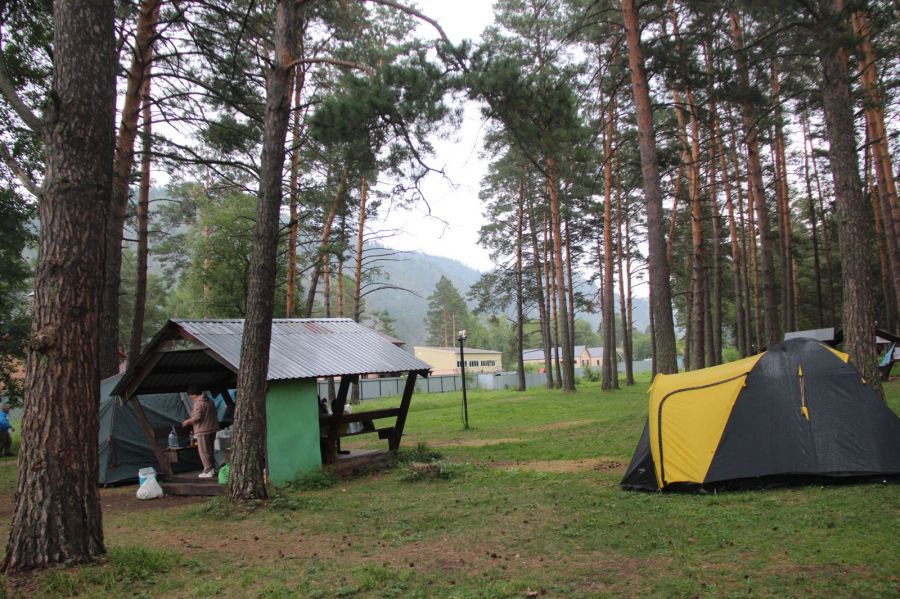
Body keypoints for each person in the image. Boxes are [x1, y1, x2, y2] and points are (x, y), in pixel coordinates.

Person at [182, 386, 218, 478]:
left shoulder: (198, 403)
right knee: (210, 450)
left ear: (193, 394)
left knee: (203, 451)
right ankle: (213, 469)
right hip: (212, 428)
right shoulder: (210, 401)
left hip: (202, 430)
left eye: (190, 396)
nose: (191, 398)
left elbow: (198, 417)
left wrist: (187, 422)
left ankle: (207, 470)